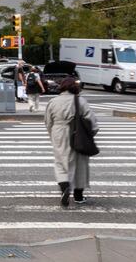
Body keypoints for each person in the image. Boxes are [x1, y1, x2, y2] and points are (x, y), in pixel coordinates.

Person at [44, 77, 98, 208]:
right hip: (78, 133)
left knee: (60, 162)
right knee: (80, 164)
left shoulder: (53, 101)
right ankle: (79, 196)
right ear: (75, 87)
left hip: (58, 132)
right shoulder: (80, 101)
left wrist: (53, 135)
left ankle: (65, 188)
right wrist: (90, 134)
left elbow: (48, 122)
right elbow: (92, 122)